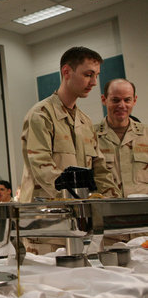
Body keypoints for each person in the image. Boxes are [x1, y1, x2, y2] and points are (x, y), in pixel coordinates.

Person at [20, 46, 119, 202]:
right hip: (45, 211)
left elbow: (99, 169)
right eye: (88, 75)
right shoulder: (41, 115)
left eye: (96, 76)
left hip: (79, 209)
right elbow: (41, 166)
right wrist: (77, 198)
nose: (93, 82)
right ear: (66, 72)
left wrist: (113, 202)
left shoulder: (85, 122)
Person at [94, 79, 148, 197]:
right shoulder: (91, 136)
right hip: (107, 210)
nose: (121, 105)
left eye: (127, 100)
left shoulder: (146, 135)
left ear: (134, 100)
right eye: (115, 100)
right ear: (104, 100)